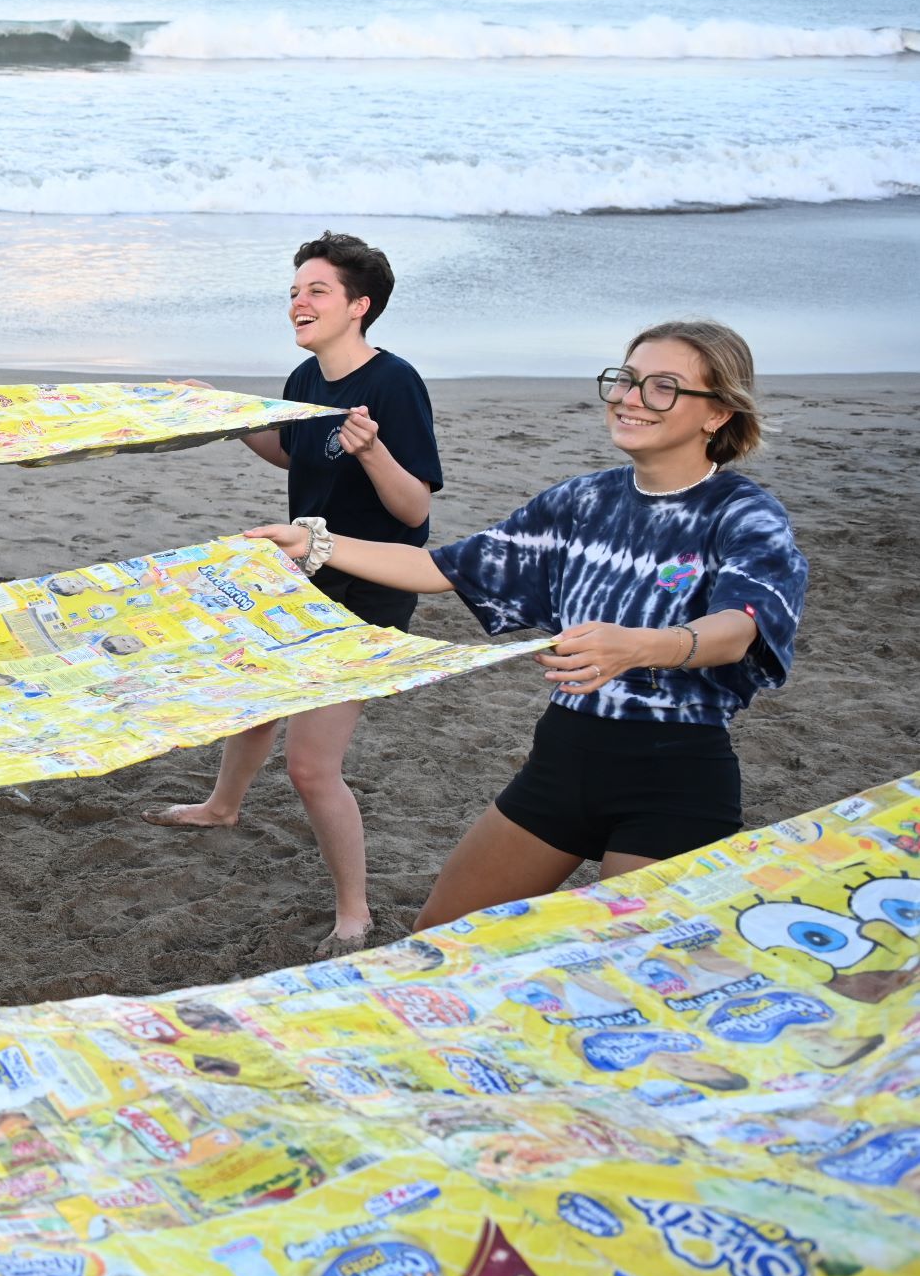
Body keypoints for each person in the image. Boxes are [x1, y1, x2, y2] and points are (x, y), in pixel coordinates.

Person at [247, 319, 804, 931]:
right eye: (626, 379)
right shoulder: (582, 500)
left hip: (673, 777)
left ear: (718, 414)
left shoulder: (744, 514)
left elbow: (740, 626)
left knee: (634, 966)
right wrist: (315, 542)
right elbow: (440, 566)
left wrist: (643, 646)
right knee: (440, 941)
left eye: (662, 387)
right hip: (562, 760)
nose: (630, 398)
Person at [146, 233, 443, 954]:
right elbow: (290, 449)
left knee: (312, 766)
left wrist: (372, 451)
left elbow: (413, 512)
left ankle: (355, 911)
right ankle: (222, 807)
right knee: (257, 696)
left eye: (316, 290)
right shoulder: (305, 380)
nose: (298, 302)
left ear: (359, 306)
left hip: (373, 582)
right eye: (293, 291)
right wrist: (227, 415)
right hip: (303, 569)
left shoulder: (392, 383)